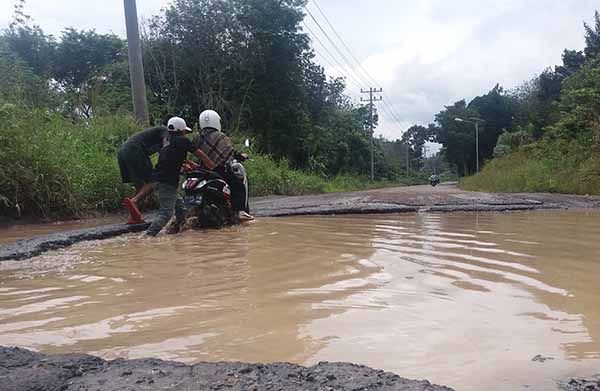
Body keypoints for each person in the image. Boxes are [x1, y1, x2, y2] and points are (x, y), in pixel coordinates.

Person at [146, 117, 215, 236]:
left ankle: (179, 232)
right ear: (181, 130)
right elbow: (199, 153)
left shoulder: (167, 141)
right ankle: (147, 236)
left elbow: (171, 159)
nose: (185, 133)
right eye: (184, 131)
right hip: (167, 181)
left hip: (158, 178)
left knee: (180, 208)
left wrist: (186, 163)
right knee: (166, 213)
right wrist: (211, 165)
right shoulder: (183, 141)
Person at [194, 109, 253, 221]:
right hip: (219, 170)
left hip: (202, 171)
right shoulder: (221, 136)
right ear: (216, 121)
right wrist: (241, 156)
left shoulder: (197, 137)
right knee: (238, 186)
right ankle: (240, 211)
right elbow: (230, 152)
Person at [117, 120, 176, 224]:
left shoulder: (156, 138)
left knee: (140, 187)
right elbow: (166, 148)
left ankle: (133, 217)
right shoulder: (165, 130)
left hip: (122, 152)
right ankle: (134, 200)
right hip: (135, 151)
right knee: (154, 181)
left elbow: (162, 153)